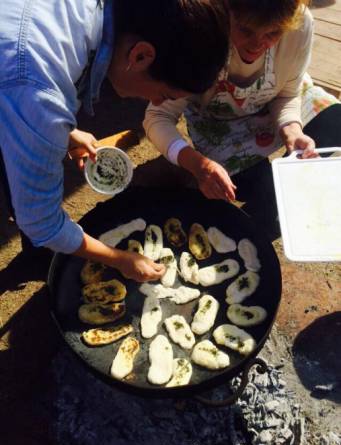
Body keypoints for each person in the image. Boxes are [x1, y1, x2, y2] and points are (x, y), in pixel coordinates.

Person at [0, 0, 230, 282]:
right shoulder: (40, 89)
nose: (155, 102)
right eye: (165, 94)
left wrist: (62, 131)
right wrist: (120, 259)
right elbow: (40, 223)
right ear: (142, 56)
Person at [143, 0, 341, 206]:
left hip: (274, 100)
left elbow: (287, 93)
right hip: (220, 122)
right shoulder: (200, 33)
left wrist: (292, 129)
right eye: (246, 30)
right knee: (262, 191)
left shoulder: (299, 24)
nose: (257, 45)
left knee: (335, 125)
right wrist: (197, 165)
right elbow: (157, 117)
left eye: (272, 34)